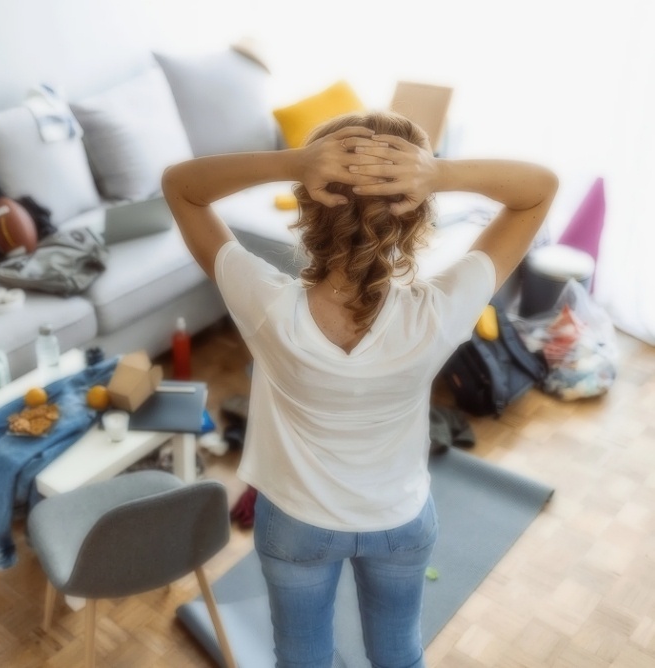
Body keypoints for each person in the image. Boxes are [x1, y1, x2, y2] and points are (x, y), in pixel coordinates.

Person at [162, 110, 557, 668]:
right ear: (416, 214)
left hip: (296, 524)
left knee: (301, 659)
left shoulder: (265, 303)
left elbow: (180, 186)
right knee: (399, 654)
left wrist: (293, 162)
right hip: (399, 521)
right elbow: (539, 189)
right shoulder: (439, 311)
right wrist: (438, 173)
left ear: (308, 205)